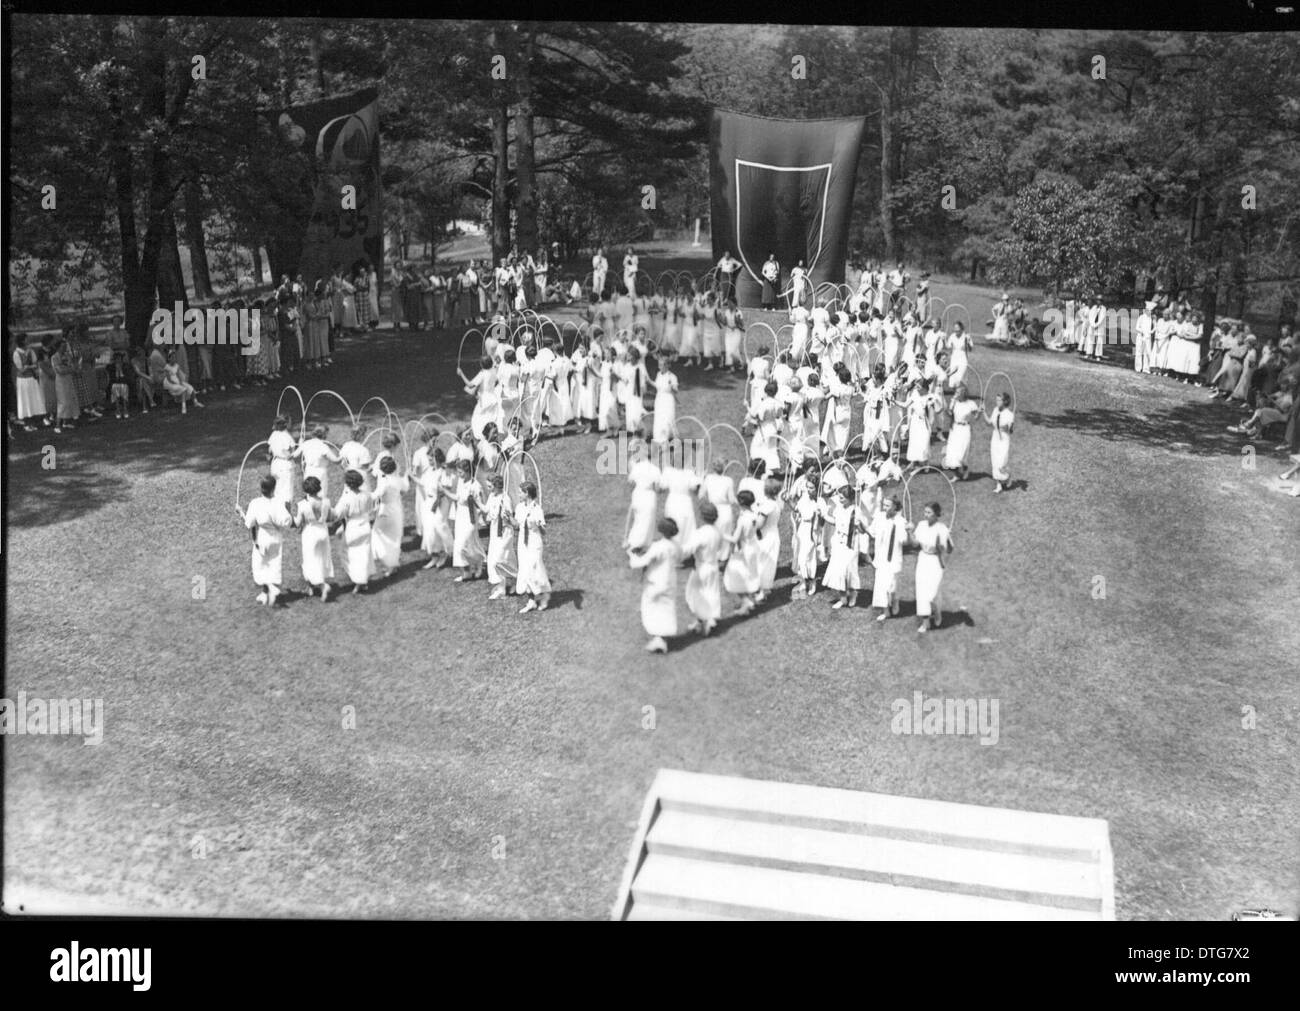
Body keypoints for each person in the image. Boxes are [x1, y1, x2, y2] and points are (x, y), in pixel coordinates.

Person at [628, 518, 682, 653]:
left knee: (651, 608)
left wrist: (631, 555)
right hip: (670, 582)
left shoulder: (658, 547)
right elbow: (679, 557)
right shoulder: (676, 545)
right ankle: (662, 639)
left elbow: (640, 563)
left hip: (656, 582)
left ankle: (659, 640)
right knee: (666, 608)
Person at [244, 474, 294, 606]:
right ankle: (266, 593)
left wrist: (240, 512)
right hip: (276, 538)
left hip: (262, 538)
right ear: (273, 488)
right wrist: (287, 511)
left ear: (261, 488)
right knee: (272, 564)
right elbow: (286, 522)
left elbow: (249, 523)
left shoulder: (255, 503)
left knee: (260, 565)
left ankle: (271, 588)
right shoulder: (278, 503)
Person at [681, 501, 724, 635]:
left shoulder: (700, 533)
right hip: (713, 566)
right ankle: (707, 620)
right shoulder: (718, 532)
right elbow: (720, 547)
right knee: (711, 592)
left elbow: (687, 550)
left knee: (693, 593)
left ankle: (704, 619)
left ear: (702, 516)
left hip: (701, 567)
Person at [912, 501, 954, 633]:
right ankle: (925, 622)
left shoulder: (942, 528)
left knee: (933, 593)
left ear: (936, 514)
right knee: (922, 592)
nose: (926, 515)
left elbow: (950, 550)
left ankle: (937, 612)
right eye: (925, 512)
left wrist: (946, 540)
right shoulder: (921, 525)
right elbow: (914, 544)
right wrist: (909, 532)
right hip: (923, 559)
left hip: (936, 561)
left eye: (929, 513)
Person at [333, 469, 376, 593]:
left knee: (348, 554)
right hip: (365, 525)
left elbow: (337, 514)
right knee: (364, 553)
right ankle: (364, 580)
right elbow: (371, 508)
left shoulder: (346, 498)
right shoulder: (367, 494)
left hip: (353, 527)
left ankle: (359, 581)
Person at [868, 494, 909, 621]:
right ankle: (885, 611)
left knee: (892, 587)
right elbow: (871, 532)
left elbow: (905, 541)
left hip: (894, 558)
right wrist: (861, 525)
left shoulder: (901, 522)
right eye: (883, 505)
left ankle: (895, 600)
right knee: (881, 586)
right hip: (881, 558)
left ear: (895, 507)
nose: (884, 508)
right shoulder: (879, 517)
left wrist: (908, 530)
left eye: (887, 505)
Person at [295, 475, 336, 602]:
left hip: (310, 533)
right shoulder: (326, 501)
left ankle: (323, 586)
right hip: (323, 532)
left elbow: (297, 523)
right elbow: (330, 518)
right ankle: (310, 587)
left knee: (309, 561)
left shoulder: (302, 504)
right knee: (321, 559)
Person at [723, 488, 762, 615]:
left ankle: (747, 602)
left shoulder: (743, 519)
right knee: (748, 575)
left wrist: (722, 534)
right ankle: (749, 601)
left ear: (741, 502)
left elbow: (734, 539)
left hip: (744, 549)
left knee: (734, 577)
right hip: (753, 545)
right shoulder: (754, 514)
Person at [513, 481, 551, 613]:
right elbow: (517, 526)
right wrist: (508, 518)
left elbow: (544, 531)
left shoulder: (537, 509)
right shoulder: (519, 507)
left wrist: (538, 525)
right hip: (522, 543)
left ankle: (544, 595)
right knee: (524, 570)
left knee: (535, 568)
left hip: (534, 542)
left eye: (520, 492)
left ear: (527, 493)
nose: (518, 494)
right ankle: (531, 601)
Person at [370, 455, 408, 579]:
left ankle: (390, 564)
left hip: (386, 511)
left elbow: (375, 495)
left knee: (376, 535)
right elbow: (405, 488)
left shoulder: (385, 483)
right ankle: (393, 564)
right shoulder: (398, 479)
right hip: (397, 509)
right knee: (394, 538)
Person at [451, 459, 486, 582]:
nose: (458, 475)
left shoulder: (476, 486)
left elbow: (482, 504)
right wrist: (444, 491)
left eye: (460, 472)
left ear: (467, 472)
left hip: (471, 518)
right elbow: (457, 498)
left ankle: (480, 564)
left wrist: (479, 516)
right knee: (460, 545)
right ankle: (466, 572)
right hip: (460, 517)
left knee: (466, 543)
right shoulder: (461, 482)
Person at [296, 424, 340, 506]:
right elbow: (336, 460)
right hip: (320, 473)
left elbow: (296, 454)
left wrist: (300, 444)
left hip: (308, 471)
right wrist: (343, 455)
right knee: (321, 495)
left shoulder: (306, 443)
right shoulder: (323, 446)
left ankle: (308, 513)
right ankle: (319, 514)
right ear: (324, 434)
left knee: (309, 494)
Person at [943, 385, 979, 480]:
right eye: (956, 392)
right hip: (955, 429)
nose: (956, 394)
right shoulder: (954, 402)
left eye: (958, 393)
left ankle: (966, 469)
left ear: (963, 393)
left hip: (965, 429)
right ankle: (957, 475)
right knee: (953, 452)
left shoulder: (971, 404)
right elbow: (950, 414)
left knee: (962, 452)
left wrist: (980, 411)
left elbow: (976, 417)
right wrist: (948, 406)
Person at [11, 335, 46, 431]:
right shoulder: (16, 353)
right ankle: (26, 424)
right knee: (25, 400)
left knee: (32, 400)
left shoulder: (30, 351)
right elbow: (21, 369)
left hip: (31, 379)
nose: (28, 340)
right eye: (26, 339)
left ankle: (32, 422)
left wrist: (29, 367)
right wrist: (29, 367)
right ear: (22, 341)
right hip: (23, 380)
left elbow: (35, 364)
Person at [985, 391, 1015, 493]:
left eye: (999, 400)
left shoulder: (1009, 414)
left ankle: (1008, 476)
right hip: (995, 438)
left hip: (1004, 439)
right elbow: (989, 423)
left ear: (1005, 401)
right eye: (996, 400)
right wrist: (983, 412)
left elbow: (1010, 430)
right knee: (995, 461)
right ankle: (999, 485)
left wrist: (1009, 427)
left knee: (1002, 462)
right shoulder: (995, 410)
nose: (996, 402)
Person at [267, 415, 297, 504]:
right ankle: (286, 515)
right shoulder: (286, 436)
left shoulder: (273, 434)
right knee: (286, 493)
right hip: (285, 467)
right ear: (286, 424)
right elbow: (289, 455)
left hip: (275, 465)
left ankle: (277, 514)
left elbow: (270, 450)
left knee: (277, 491)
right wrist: (300, 445)